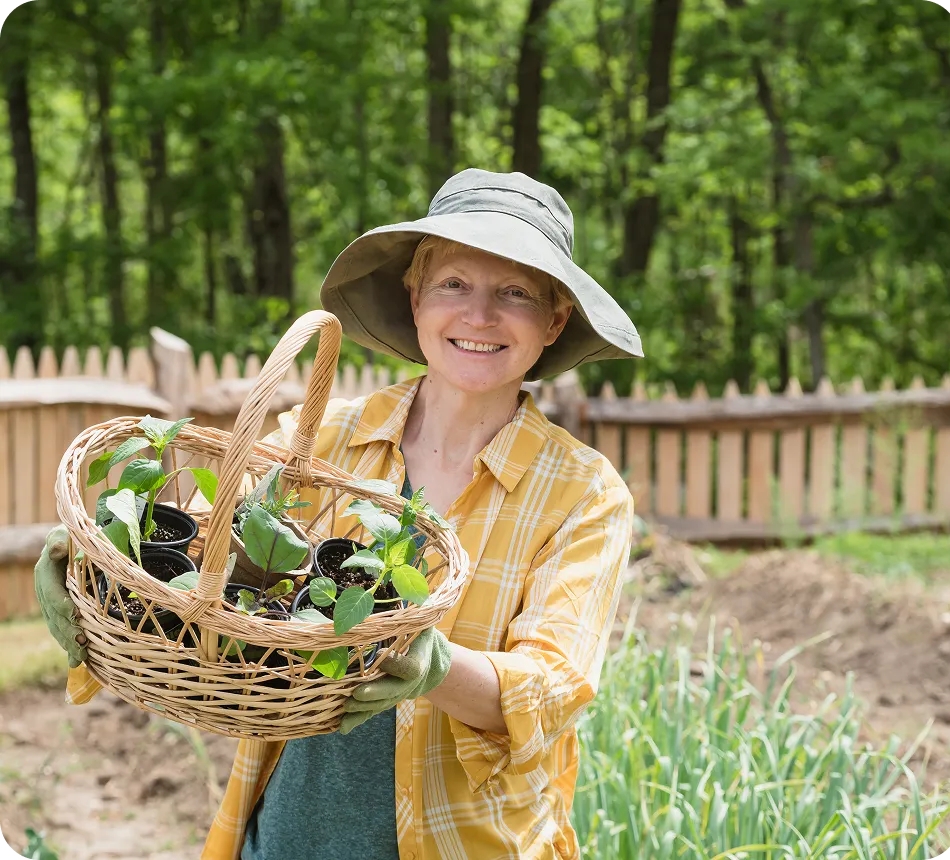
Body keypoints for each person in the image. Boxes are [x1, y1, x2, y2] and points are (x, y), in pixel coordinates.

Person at [34, 168, 644, 859]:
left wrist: (433, 664)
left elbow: (552, 687)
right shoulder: (320, 438)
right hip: (286, 837)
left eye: (516, 293)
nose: (479, 316)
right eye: (453, 284)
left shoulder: (582, 492)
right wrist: (90, 560)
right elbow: (198, 545)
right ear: (415, 298)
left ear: (554, 321)